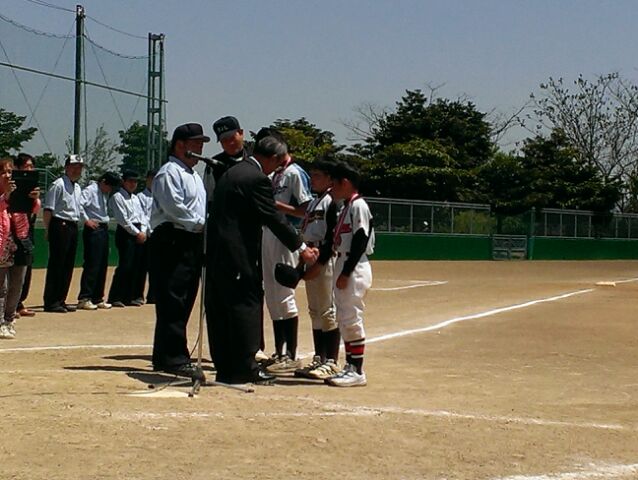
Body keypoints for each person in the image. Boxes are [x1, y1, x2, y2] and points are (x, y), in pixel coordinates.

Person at [205, 134, 318, 385]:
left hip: (218, 252)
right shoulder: (256, 178)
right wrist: (301, 248)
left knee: (221, 309)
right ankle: (245, 368)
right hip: (238, 253)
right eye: (278, 163)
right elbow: (273, 218)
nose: (276, 169)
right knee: (246, 305)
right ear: (273, 158)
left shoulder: (233, 172)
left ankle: (225, 367)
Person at [150, 123, 208, 379]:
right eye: (195, 143)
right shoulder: (169, 173)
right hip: (172, 238)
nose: (200, 149)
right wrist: (201, 224)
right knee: (172, 299)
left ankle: (164, 354)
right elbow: (174, 208)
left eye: (201, 144)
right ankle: (174, 357)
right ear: (180, 145)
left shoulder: (194, 175)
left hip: (191, 239)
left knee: (185, 298)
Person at [262, 142, 313, 374]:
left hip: (287, 234)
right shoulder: (274, 174)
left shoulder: (294, 173)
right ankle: (279, 351)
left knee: (284, 292)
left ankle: (291, 354)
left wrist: (278, 207)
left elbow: (305, 209)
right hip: (268, 232)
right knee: (272, 294)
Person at [323, 161, 375, 387]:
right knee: (344, 317)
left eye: (334, 184)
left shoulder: (358, 205)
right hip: (343, 261)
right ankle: (350, 365)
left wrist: (346, 272)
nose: (331, 189)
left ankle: (357, 370)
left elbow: (361, 239)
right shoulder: (346, 206)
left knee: (351, 317)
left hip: (353, 265)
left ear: (345, 183)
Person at [293, 160, 342, 380]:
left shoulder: (332, 202)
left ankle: (331, 361)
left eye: (318, 175)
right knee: (315, 311)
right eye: (311, 175)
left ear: (330, 179)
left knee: (327, 311)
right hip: (311, 256)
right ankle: (319, 357)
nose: (312, 179)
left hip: (325, 258)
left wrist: (320, 263)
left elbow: (332, 237)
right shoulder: (314, 202)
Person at [42, 154, 84, 313]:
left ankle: (61, 299)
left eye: (79, 167)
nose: (76, 170)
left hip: (72, 225)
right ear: (66, 167)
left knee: (68, 265)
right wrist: (48, 229)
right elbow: (48, 209)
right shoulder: (58, 185)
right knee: (57, 264)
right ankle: (51, 301)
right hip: (60, 224)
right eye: (73, 167)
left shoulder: (77, 187)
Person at [77, 171, 121, 310]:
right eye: (109, 186)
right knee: (92, 263)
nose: (110, 190)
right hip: (93, 228)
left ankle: (97, 297)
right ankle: (85, 297)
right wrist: (86, 220)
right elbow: (79, 205)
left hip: (103, 227)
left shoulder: (103, 193)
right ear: (103, 182)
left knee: (102, 263)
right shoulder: (90, 190)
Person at [107, 170, 147, 308]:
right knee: (126, 264)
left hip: (139, 231)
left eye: (135, 181)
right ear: (123, 182)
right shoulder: (117, 197)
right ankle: (116, 297)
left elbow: (142, 216)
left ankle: (130, 296)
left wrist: (143, 231)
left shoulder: (136, 198)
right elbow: (123, 220)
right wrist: (137, 233)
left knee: (136, 265)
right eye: (130, 181)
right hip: (126, 232)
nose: (133, 184)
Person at [14, 153, 39, 318]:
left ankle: (20, 301)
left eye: (31, 166)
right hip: (12, 228)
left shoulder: (33, 186)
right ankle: (11, 303)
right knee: (13, 267)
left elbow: (35, 210)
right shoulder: (10, 185)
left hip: (27, 228)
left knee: (27, 264)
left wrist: (35, 199)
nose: (29, 170)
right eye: (26, 166)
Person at [0, 157, 18, 338]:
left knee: (11, 286)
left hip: (9, 245)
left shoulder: (15, 193)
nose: (7, 175)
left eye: (10, 172)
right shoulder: (5, 195)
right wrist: (6, 195)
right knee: (1, 287)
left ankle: (7, 320)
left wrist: (33, 200)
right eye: (3, 172)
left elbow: (31, 212)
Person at [137, 169, 157, 304]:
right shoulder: (140, 197)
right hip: (145, 234)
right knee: (142, 266)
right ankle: (138, 295)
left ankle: (153, 295)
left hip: (158, 234)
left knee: (156, 267)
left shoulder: (160, 196)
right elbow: (142, 216)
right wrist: (148, 230)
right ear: (147, 180)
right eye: (152, 179)